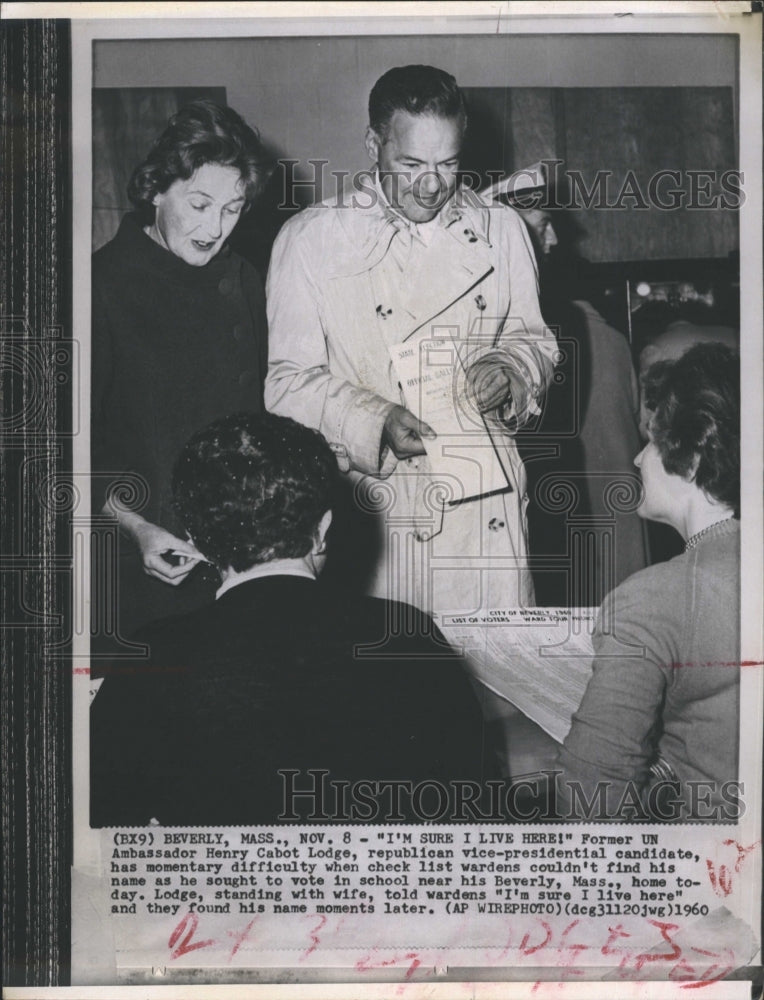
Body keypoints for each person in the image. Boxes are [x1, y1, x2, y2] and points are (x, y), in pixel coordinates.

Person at [90, 413, 497, 827]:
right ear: (323, 530)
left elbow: (101, 825)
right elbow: (475, 805)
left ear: (196, 543)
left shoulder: (152, 654)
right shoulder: (407, 635)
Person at [265, 65, 556, 617]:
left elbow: (534, 340)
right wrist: (375, 422)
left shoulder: (503, 230)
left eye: (448, 164)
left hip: (484, 515)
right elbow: (286, 386)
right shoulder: (312, 239)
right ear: (372, 145)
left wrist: (511, 370)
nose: (432, 185)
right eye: (412, 164)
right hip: (382, 519)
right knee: (399, 667)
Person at [91, 99, 269, 654]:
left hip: (236, 566)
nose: (215, 228)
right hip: (134, 566)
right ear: (156, 190)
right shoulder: (99, 287)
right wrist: (137, 527)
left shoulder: (243, 279)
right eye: (199, 204)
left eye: (233, 209)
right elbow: (62, 452)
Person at [557, 343, 740, 821]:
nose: (638, 458)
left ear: (692, 456)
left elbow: (588, 802)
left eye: (653, 442)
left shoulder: (651, 599)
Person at [508, 191, 648, 607]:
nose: (552, 240)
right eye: (542, 226)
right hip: (621, 508)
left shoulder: (551, 339)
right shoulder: (615, 340)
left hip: (566, 517)